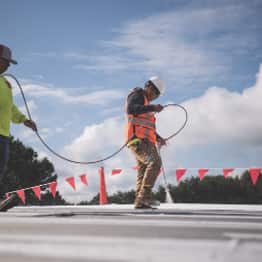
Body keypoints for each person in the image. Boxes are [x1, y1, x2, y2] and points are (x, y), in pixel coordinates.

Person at [0, 44, 37, 210]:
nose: (8, 65)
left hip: (3, 134)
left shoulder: (6, 84)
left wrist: (24, 120)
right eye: (6, 61)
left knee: (1, 167)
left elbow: (11, 108)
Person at [126, 76, 167, 209]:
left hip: (144, 141)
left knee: (143, 171)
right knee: (154, 163)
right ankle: (144, 197)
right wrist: (152, 107)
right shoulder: (138, 95)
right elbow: (131, 109)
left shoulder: (145, 103)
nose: (155, 98)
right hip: (138, 141)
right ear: (150, 87)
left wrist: (158, 137)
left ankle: (140, 201)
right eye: (156, 94)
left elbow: (145, 126)